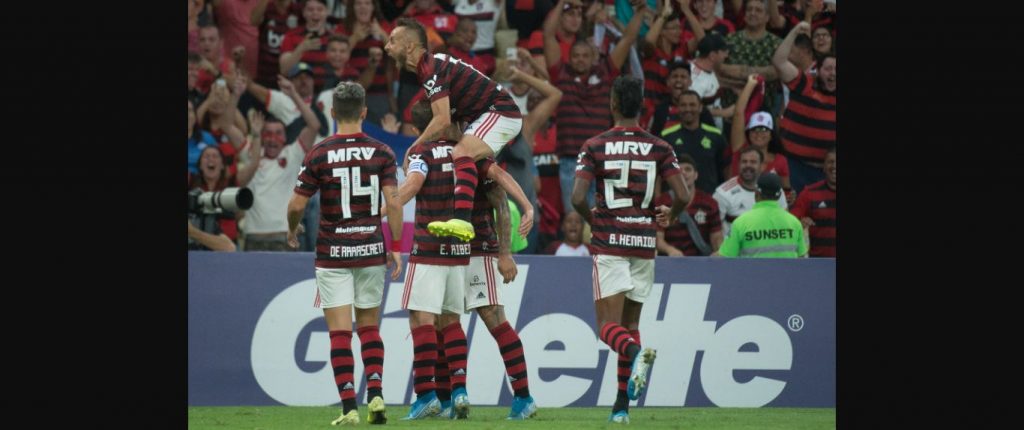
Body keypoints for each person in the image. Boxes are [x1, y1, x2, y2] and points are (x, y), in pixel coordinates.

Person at [572, 76, 691, 424]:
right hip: (644, 243)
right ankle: (621, 408)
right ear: (641, 106)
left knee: (609, 329)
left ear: (612, 104)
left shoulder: (594, 145)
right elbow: (682, 194)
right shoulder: (660, 147)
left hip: (610, 241)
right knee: (630, 324)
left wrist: (592, 219)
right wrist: (673, 213)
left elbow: (577, 197)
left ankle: (636, 354)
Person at [285, 82, 403, 425]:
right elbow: (393, 203)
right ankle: (377, 395)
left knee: (340, 332)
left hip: (332, 253)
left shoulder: (319, 153)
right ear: (365, 112)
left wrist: (293, 230)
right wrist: (395, 246)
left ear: (333, 113)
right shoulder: (382, 152)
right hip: (370, 250)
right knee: (369, 327)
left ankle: (349, 407)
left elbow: (296, 204)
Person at [385, 17, 523, 243]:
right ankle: (487, 223)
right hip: (488, 115)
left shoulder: (430, 69)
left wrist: (413, 146)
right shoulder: (430, 67)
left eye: (392, 41)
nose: (386, 47)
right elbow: (453, 118)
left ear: (409, 46)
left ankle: (463, 220)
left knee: (461, 153)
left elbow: (441, 119)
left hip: (500, 112)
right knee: (477, 164)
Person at [236, 77, 322, 251]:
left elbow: (314, 125)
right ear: (260, 134)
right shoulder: (252, 153)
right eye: (267, 133)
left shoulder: (293, 153)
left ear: (285, 137)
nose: (272, 138)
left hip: (285, 237)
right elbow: (225, 124)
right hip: (253, 235)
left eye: (278, 133)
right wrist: (236, 95)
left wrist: (293, 94)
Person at [772, 21, 834, 194]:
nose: (833, 73)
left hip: (828, 173)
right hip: (795, 167)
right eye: (828, 69)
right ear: (819, 70)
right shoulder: (805, 84)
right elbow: (779, 61)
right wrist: (795, 31)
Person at [717, 172, 806, 257]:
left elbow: (725, 257)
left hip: (753, 273)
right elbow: (801, 258)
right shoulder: (794, 223)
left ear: (756, 193)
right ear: (779, 196)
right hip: (786, 273)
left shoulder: (740, 223)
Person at [659, 90, 729, 194]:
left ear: (700, 107)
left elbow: (726, 168)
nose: (688, 109)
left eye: (692, 105)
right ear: (677, 108)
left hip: (709, 199)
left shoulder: (716, 135)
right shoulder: (666, 136)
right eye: (683, 105)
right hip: (674, 200)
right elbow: (658, 172)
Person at [655, 153, 723, 256]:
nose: (683, 173)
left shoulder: (709, 203)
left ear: (696, 175)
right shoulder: (662, 202)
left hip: (701, 261)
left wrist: (718, 251)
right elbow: (658, 238)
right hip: (671, 261)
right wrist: (669, 250)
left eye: (688, 169)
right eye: (679, 170)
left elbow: (716, 237)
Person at [712, 146, 787, 238]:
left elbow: (784, 222)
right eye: (744, 162)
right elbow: (714, 231)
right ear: (738, 165)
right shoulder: (722, 193)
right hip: (734, 249)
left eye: (753, 162)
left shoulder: (774, 189)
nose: (748, 165)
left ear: (762, 166)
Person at [789, 145, 835, 257]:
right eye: (830, 162)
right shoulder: (809, 193)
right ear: (823, 167)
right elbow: (791, 225)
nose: (834, 166)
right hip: (818, 264)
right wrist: (801, 223)